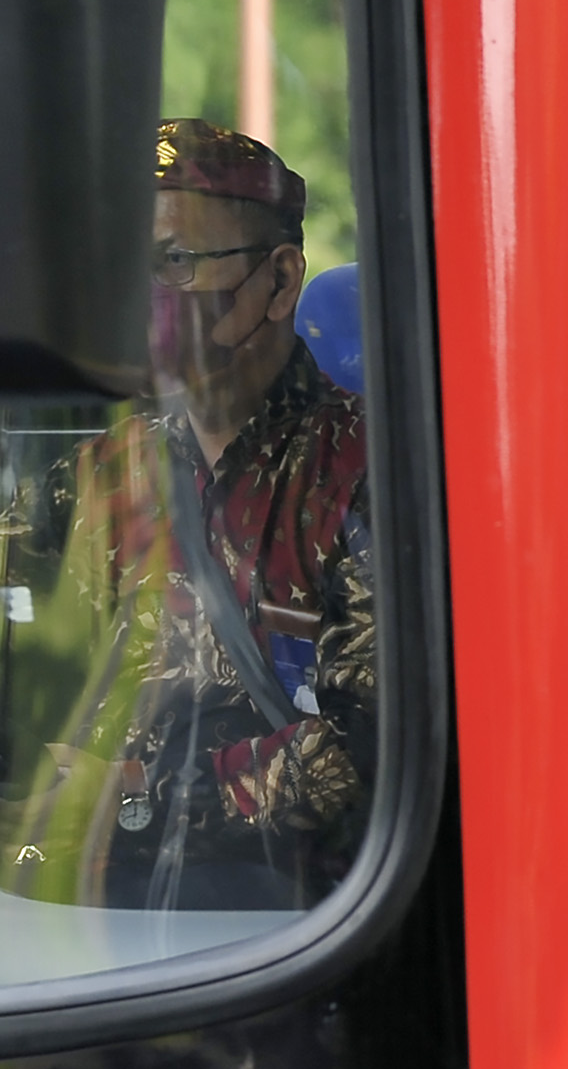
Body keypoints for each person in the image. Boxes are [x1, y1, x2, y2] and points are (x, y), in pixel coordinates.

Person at [92, 118, 380, 907]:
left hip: (299, 940)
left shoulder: (367, 475)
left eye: (173, 263)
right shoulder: (109, 476)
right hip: (100, 914)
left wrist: (134, 799)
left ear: (282, 283)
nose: (139, 296)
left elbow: (369, 750)